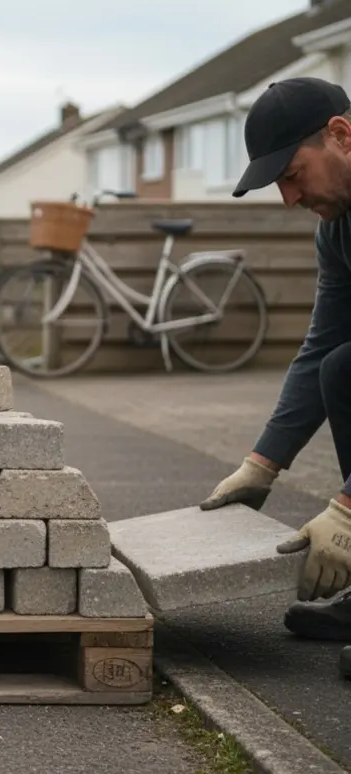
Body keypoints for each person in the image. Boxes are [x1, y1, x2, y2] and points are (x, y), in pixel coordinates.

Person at [211, 75, 351, 678]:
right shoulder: (338, 228)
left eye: (292, 174)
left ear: (340, 135)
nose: (289, 199)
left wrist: (347, 508)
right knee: (341, 367)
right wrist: (261, 464)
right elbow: (320, 345)